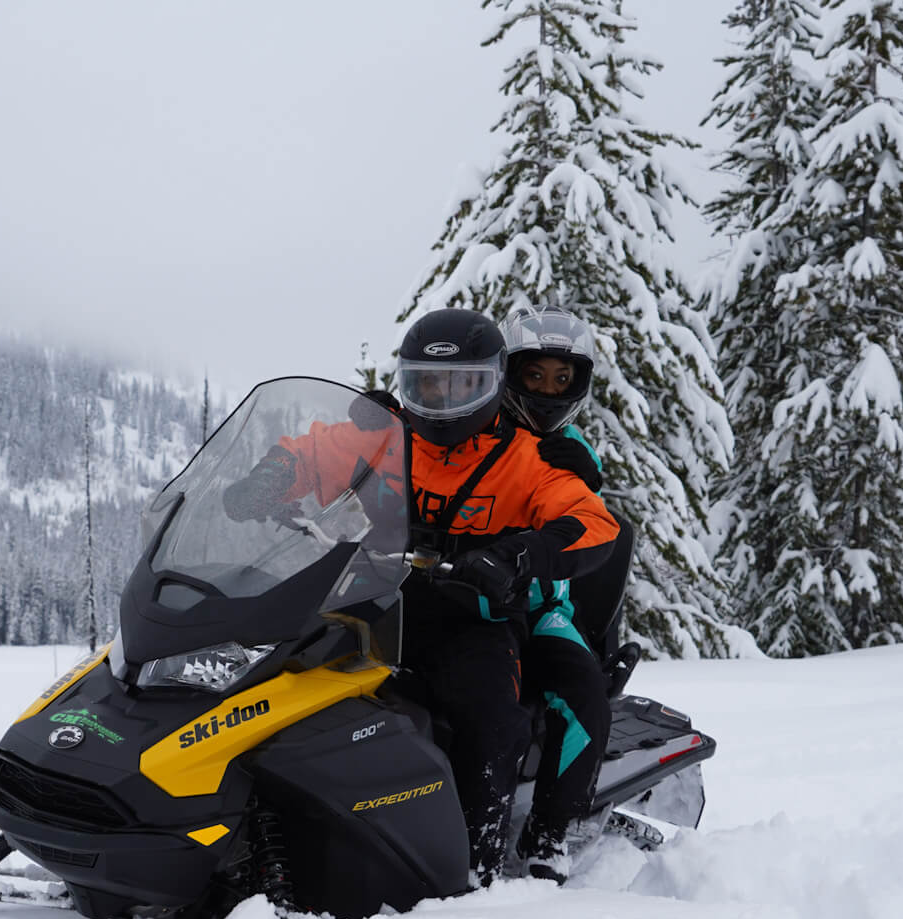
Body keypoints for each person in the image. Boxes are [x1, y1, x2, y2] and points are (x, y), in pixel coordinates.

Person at [223, 307, 620, 886]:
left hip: (474, 614)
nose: (443, 399)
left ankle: (477, 858)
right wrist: (271, 477)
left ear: (489, 383)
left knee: (491, 712)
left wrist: (518, 555)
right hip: (375, 595)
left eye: (463, 384)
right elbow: (311, 451)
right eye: (428, 383)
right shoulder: (386, 436)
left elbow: (590, 521)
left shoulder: (534, 457)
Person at [496, 305, 624, 881]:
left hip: (542, 607)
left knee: (581, 692)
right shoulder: (475, 428)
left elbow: (587, 505)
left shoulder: (569, 448)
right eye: (536, 376)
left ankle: (551, 830)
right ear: (510, 372)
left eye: (562, 379)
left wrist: (589, 473)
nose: (548, 391)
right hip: (449, 597)